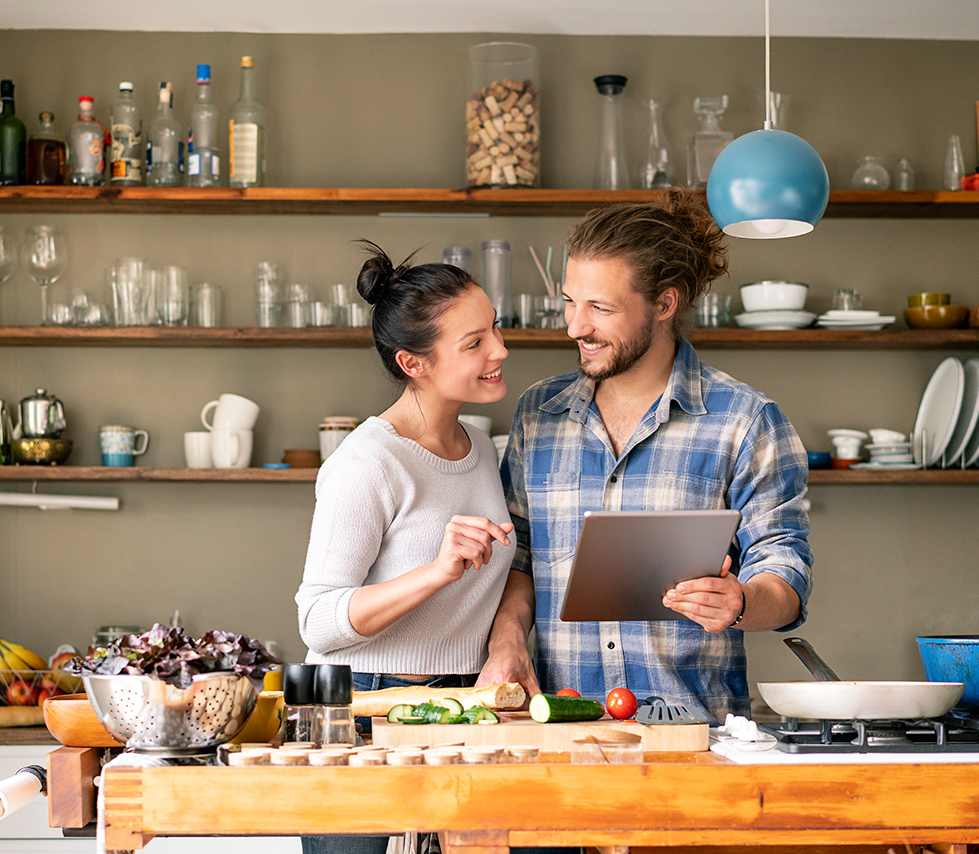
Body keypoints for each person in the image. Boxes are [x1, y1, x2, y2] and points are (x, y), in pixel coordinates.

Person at [479, 190, 813, 725]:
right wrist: (507, 641)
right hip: (562, 726)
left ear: (664, 304)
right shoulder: (538, 414)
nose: (574, 327)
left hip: (694, 736)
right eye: (570, 300)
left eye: (601, 308)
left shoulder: (745, 421)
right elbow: (517, 557)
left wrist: (741, 601)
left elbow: (786, 571)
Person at [296, 241, 515, 854]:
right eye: (473, 343)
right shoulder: (366, 463)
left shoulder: (480, 447)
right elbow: (316, 619)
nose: (499, 350)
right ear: (413, 363)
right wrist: (437, 571)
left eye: (493, 328)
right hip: (354, 708)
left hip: (462, 702)